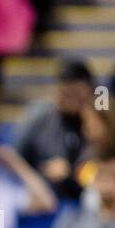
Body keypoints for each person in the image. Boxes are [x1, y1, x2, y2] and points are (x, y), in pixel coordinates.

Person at [13, 60, 93, 199]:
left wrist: (72, 172)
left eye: (77, 94)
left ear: (89, 92)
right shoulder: (39, 117)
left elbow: (102, 167)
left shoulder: (97, 121)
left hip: (89, 196)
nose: (71, 100)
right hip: (45, 194)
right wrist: (40, 172)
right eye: (66, 93)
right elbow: (15, 159)